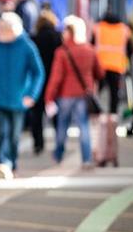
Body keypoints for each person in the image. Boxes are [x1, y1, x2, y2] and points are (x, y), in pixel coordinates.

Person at [0, 12, 45, 178]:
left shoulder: (27, 46)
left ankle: (12, 163)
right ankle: (2, 162)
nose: (2, 33)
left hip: (19, 99)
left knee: (14, 135)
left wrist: (32, 95)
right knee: (1, 133)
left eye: (5, 29)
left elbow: (38, 72)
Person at [44, 15, 104, 169]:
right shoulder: (90, 50)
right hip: (84, 95)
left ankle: (58, 155)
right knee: (83, 127)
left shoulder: (62, 52)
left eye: (65, 30)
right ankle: (86, 159)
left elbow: (56, 77)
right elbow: (100, 73)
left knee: (62, 126)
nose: (63, 33)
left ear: (70, 32)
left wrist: (49, 97)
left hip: (65, 95)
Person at [30, 8, 63, 155]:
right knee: (55, 112)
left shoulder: (34, 38)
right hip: (54, 80)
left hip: (38, 81)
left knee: (37, 115)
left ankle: (38, 143)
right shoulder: (58, 37)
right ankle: (59, 142)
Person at [92, 11, 132, 115]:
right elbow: (130, 49)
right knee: (114, 93)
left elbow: (91, 45)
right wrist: (127, 63)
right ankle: (113, 114)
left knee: (97, 91)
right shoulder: (124, 29)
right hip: (116, 65)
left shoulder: (98, 27)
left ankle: (96, 111)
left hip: (100, 65)